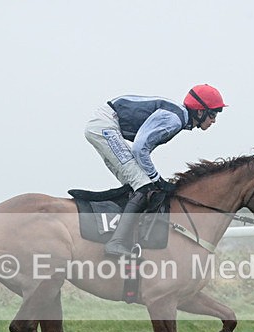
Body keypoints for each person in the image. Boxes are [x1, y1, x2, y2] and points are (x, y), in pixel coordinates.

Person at [84, 84, 227, 256]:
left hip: (104, 125)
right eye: (212, 114)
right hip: (106, 126)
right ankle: (116, 242)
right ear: (199, 112)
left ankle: (127, 237)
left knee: (138, 186)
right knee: (145, 186)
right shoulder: (175, 120)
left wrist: (154, 178)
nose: (214, 120)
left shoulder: (178, 117)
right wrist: (157, 178)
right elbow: (139, 149)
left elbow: (141, 149)